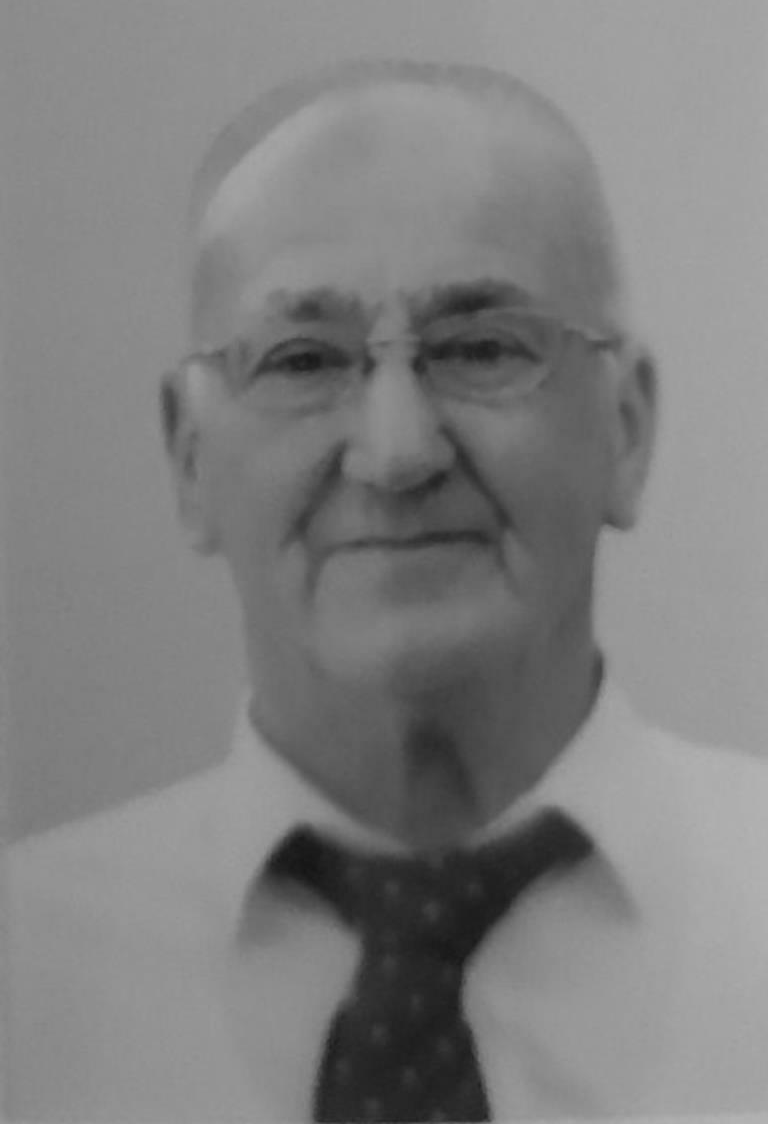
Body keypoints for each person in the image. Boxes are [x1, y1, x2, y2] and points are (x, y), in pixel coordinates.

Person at [6, 58, 768, 1123]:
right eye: (302, 360)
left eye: (482, 348)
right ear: (188, 460)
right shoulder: (24, 989)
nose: (397, 451)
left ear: (627, 429)